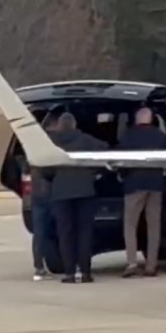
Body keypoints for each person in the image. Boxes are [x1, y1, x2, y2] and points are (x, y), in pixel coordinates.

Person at [45, 112, 108, 283]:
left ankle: (69, 273)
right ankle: (85, 272)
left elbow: (44, 168)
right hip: (85, 190)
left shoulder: (52, 143)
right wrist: (93, 171)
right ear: (74, 125)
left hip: (61, 193)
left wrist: (53, 177)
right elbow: (105, 151)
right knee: (84, 232)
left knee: (65, 233)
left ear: (59, 125)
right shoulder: (86, 140)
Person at [117, 107, 166, 278]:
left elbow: (121, 161)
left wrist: (122, 175)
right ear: (151, 119)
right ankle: (151, 265)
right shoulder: (161, 136)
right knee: (154, 225)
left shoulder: (128, 136)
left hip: (134, 185)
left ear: (136, 119)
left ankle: (132, 263)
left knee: (130, 225)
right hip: (155, 185)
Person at [28, 112, 60, 280]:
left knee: (39, 232)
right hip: (53, 193)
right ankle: (70, 263)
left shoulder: (34, 145)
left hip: (36, 194)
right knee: (63, 229)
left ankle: (39, 267)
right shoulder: (55, 143)